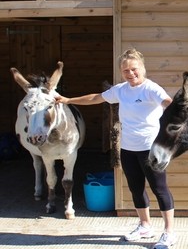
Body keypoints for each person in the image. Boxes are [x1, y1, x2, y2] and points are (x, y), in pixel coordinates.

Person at [56, 49, 176, 249]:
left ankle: (169, 233)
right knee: (135, 189)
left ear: (142, 68)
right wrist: (68, 100)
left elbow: (168, 104)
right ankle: (145, 226)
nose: (131, 73)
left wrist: (174, 114)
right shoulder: (121, 90)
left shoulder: (151, 88)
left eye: (134, 69)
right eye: (126, 70)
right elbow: (96, 98)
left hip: (151, 149)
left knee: (159, 189)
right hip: (128, 148)